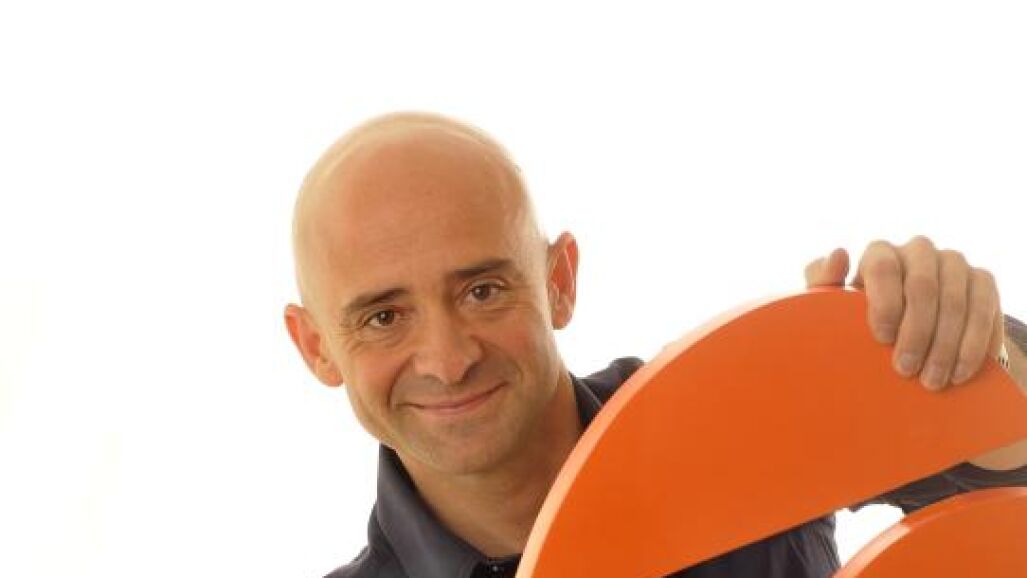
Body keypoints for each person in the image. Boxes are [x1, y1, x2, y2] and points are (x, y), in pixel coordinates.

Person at [283, 112, 1027, 578]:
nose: (448, 361)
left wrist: (961, 347)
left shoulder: (721, 415)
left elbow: (1005, 468)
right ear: (315, 346)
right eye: (382, 317)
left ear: (559, 281)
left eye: (482, 291)